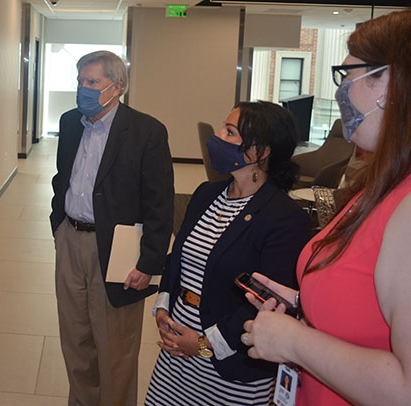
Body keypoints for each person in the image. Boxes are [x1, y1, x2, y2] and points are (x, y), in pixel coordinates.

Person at [241, 9, 411, 406]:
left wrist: (295, 342)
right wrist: (307, 303)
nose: (341, 92)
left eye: (348, 76)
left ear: (392, 80)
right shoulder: (378, 185)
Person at [145, 101, 311, 405]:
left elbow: (267, 301)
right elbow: (178, 258)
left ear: (261, 152)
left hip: (230, 369)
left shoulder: (284, 219)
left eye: (230, 132)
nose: (218, 136)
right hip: (176, 355)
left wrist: (204, 345)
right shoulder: (206, 194)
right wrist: (163, 306)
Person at [50, 50, 174, 406]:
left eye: (92, 82)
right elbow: (63, 179)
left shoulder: (146, 131)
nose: (83, 89)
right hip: (71, 239)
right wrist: (58, 225)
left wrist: (150, 263)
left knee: (114, 346)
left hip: (119, 250)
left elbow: (159, 203)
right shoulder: (71, 122)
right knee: (75, 339)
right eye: (80, 82)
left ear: (116, 87)